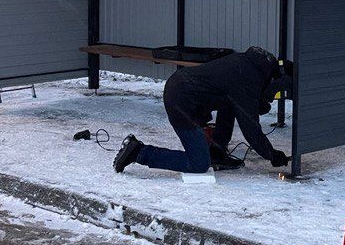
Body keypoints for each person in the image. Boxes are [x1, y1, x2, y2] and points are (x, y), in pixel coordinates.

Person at [114, 46, 293, 176]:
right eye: (276, 93)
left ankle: (217, 151)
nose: (272, 98)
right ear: (274, 80)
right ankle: (138, 152)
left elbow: (237, 101)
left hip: (183, 88)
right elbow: (251, 130)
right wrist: (271, 155)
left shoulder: (250, 66)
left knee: (230, 105)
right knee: (198, 163)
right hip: (181, 101)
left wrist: (256, 102)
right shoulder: (247, 80)